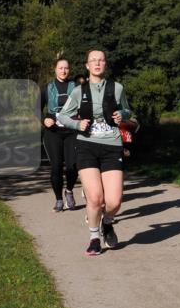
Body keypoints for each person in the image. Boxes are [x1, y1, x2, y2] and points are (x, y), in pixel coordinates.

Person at [57, 49, 136, 256]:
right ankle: (94, 238)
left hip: (112, 145)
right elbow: (63, 116)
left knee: (114, 201)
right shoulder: (78, 91)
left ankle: (107, 222)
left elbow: (128, 111)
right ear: (87, 65)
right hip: (86, 145)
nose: (97, 64)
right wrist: (76, 124)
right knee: (95, 198)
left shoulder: (117, 88)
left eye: (101, 60)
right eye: (93, 61)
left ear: (105, 64)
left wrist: (122, 114)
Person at [40, 58, 78, 212]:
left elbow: (85, 106)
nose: (63, 71)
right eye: (60, 68)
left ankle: (68, 190)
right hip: (53, 132)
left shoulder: (76, 87)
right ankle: (58, 200)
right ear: (55, 69)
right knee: (56, 167)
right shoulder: (47, 88)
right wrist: (44, 120)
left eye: (66, 68)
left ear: (69, 70)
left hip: (72, 132)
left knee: (72, 166)